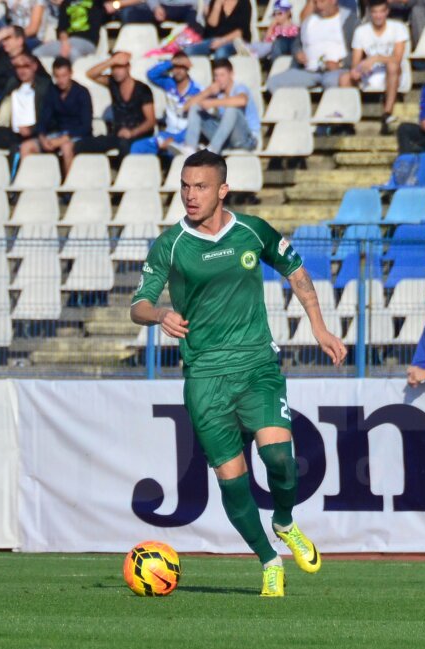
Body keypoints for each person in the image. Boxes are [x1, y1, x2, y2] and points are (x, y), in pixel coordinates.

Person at [130, 149, 346, 597]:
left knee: (279, 460)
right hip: (205, 377)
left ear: (222, 190)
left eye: (201, 186)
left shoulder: (252, 231)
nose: (191, 195)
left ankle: (284, 522)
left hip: (256, 366)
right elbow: (138, 304)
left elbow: (296, 271)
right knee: (232, 481)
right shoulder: (170, 244)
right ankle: (268, 561)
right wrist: (159, 316)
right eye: (185, 186)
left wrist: (320, 327)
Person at [342, 0, 409, 132]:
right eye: (374, 12)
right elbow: (355, 61)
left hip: (394, 71)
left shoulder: (398, 28)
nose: (378, 16)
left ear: (387, 12)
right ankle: (346, 121)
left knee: (392, 66)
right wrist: (357, 70)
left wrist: (375, 58)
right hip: (371, 71)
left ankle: (387, 113)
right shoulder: (361, 31)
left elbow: (397, 58)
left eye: (381, 12)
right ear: (370, 13)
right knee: (345, 78)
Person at [75, 51, 156, 157]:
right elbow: (90, 74)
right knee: (80, 145)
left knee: (125, 145)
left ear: (128, 68)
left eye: (120, 67)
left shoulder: (143, 89)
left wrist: (132, 133)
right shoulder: (112, 84)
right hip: (118, 135)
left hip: (139, 135)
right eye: (114, 68)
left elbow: (150, 121)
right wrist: (111, 61)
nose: (116, 71)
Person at [21, 55, 91, 174]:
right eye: (57, 76)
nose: (61, 80)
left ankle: (68, 187)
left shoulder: (82, 93)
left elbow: (86, 126)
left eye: (64, 76)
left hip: (76, 136)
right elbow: (44, 119)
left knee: (66, 147)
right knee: (26, 147)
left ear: (70, 73)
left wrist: (63, 139)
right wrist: (42, 137)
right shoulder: (52, 92)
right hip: (56, 134)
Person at [266, 0, 357, 90]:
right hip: (309, 71)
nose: (318, 6)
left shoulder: (349, 20)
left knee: (331, 82)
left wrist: (341, 64)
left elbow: (359, 50)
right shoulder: (309, 20)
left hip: (337, 71)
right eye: (315, 2)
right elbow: (297, 44)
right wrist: (298, 53)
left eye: (322, 2)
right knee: (273, 82)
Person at [179, 58, 262, 154]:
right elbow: (185, 108)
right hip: (225, 140)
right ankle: (190, 148)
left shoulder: (239, 87)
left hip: (247, 140)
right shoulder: (217, 92)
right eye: (216, 76)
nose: (219, 79)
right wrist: (207, 92)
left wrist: (213, 102)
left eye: (222, 75)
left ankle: (213, 150)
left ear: (231, 74)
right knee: (196, 108)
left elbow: (242, 100)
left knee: (232, 110)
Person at [136, 50, 202, 155]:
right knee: (138, 147)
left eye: (181, 67)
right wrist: (171, 62)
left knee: (172, 151)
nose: (178, 71)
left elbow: (198, 122)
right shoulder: (168, 83)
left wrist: (174, 139)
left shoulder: (198, 90)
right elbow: (151, 74)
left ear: (187, 68)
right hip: (167, 133)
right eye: (175, 67)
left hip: (186, 136)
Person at [34, 0, 106, 59]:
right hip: (66, 41)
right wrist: (65, 43)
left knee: (72, 53)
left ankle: (69, 75)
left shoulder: (96, 3)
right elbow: (61, 28)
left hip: (87, 41)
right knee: (36, 53)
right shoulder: (66, 3)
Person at [184, 0, 252, 59]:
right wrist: (217, 5)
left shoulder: (244, 3)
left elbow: (240, 32)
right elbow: (212, 25)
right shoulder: (215, 2)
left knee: (221, 52)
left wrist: (222, 41)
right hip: (214, 39)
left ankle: (220, 73)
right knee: (188, 51)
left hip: (235, 41)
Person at [245, 0, 300, 65]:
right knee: (258, 44)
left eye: (280, 13)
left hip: (280, 47)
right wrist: (271, 26)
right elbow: (266, 39)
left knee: (270, 46)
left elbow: (292, 41)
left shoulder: (293, 27)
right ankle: (247, 47)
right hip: (269, 45)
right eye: (275, 14)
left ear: (288, 13)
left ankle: (255, 55)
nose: (277, 17)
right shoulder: (276, 27)